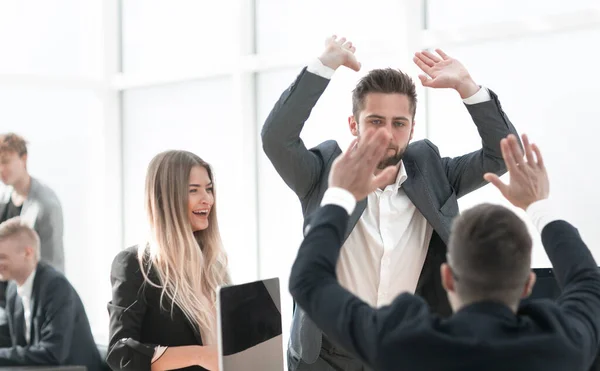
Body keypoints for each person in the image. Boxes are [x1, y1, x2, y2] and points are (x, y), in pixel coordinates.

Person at [261, 35, 520, 370]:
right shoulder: (324, 173)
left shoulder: (433, 175)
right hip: (328, 355)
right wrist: (324, 65)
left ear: (412, 129)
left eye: (399, 123)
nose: (387, 134)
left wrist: (467, 87)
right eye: (375, 121)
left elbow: (501, 156)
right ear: (354, 124)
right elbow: (276, 139)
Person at [289, 130, 600, 371]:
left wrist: (340, 196)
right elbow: (588, 281)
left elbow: (308, 281)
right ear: (529, 284)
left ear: (448, 277)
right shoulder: (564, 344)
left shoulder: (406, 344)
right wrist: (539, 206)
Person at [107, 150, 230, 371]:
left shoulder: (214, 266)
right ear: (166, 198)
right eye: (194, 190)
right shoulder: (134, 265)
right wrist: (199, 355)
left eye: (209, 189)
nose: (207, 199)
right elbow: (121, 354)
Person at [0, 217, 102, 370]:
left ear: (27, 253)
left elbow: (52, 353)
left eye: (2, 257)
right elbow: (7, 337)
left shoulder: (56, 287)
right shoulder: (13, 290)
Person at [0, 133, 64, 273]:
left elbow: (53, 263)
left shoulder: (46, 204)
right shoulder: (3, 200)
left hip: (33, 291)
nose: (1, 169)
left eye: (5, 161)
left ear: (24, 159)